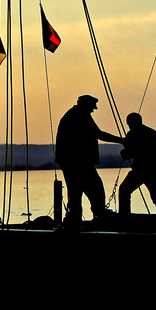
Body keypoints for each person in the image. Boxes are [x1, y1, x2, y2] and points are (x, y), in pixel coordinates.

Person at [55, 94, 123, 226]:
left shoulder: (77, 114)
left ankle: (76, 220)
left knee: (76, 192)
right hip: (77, 162)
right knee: (95, 188)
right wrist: (121, 140)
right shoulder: (79, 116)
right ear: (85, 105)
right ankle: (96, 216)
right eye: (93, 106)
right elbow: (99, 134)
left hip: (72, 162)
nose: (94, 109)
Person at [118, 112, 156, 220]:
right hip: (147, 171)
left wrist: (127, 153)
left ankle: (124, 217)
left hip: (149, 172)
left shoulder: (151, 135)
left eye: (130, 124)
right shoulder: (152, 134)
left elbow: (149, 153)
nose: (130, 126)